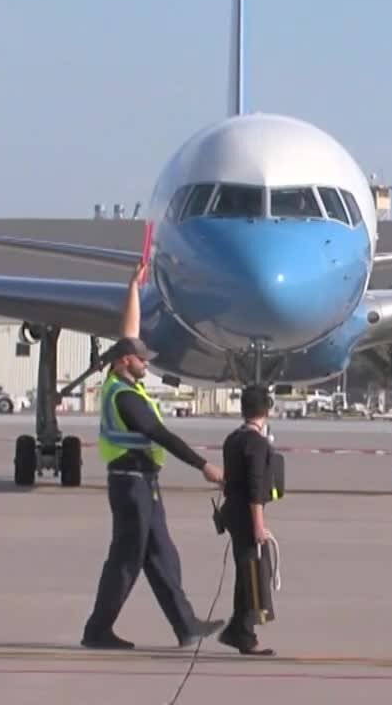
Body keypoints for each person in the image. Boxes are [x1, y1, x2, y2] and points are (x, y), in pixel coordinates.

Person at [81, 261, 226, 650]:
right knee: (127, 560)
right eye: (143, 359)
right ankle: (98, 629)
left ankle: (186, 625)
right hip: (130, 485)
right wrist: (203, 465)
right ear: (126, 361)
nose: (148, 363)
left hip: (145, 483)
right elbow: (158, 433)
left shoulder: (126, 380)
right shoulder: (125, 396)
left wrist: (132, 286)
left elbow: (127, 333)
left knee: (163, 556)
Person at [216, 385, 280, 656]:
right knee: (255, 571)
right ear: (267, 410)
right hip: (246, 515)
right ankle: (243, 633)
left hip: (232, 512)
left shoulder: (233, 439)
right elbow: (256, 487)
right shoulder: (257, 443)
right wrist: (258, 523)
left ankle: (239, 629)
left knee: (246, 570)